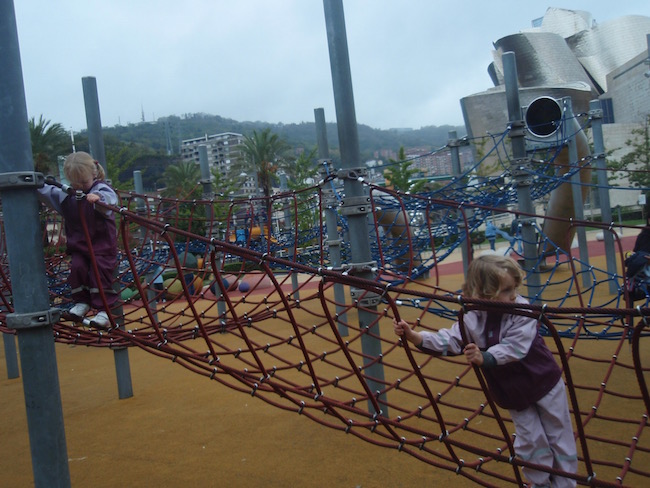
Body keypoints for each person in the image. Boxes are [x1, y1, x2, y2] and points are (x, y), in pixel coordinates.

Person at [393, 254, 577, 487]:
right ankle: (540, 482)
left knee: (558, 434)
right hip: (512, 390)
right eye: (506, 290)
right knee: (530, 439)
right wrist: (415, 336)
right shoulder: (472, 316)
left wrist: (486, 357)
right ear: (482, 294)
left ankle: (566, 483)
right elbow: (451, 339)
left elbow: (516, 348)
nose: (513, 295)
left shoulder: (523, 310)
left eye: (514, 288)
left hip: (543, 382)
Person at [38, 151, 119, 328]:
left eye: (84, 182)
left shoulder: (100, 189)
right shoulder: (67, 194)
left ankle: (104, 310)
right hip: (79, 246)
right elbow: (49, 193)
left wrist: (99, 199)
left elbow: (111, 200)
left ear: (94, 174)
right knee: (77, 269)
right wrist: (35, 184)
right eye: (76, 183)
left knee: (99, 273)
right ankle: (82, 302)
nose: (81, 187)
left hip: (102, 246)